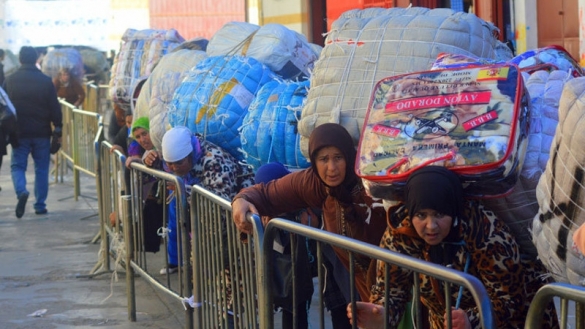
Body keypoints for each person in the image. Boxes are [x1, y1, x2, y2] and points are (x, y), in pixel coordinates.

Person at [347, 166, 558, 329]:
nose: (431, 226)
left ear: (453, 210)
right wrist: (382, 313)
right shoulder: (401, 233)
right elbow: (391, 289)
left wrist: (472, 320)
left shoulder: (484, 229)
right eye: (421, 215)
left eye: (440, 214)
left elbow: (510, 299)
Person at [232, 123, 388, 304]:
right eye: (323, 159)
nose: (331, 168)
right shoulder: (315, 183)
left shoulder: (373, 182)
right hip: (366, 291)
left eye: (338, 157)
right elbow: (268, 193)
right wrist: (241, 199)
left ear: (349, 155)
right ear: (314, 160)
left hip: (404, 285)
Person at [150, 126, 255, 274]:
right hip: (215, 234)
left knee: (239, 275)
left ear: (190, 155)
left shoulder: (215, 161)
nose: (174, 168)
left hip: (238, 228)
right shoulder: (185, 160)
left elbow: (222, 205)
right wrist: (149, 160)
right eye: (169, 163)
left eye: (179, 163)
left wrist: (186, 191)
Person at [254, 162, 316, 329]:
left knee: (297, 311)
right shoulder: (262, 217)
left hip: (298, 278)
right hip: (282, 278)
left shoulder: (300, 210)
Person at [4, 46, 62, 218]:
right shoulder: (45, 81)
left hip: (18, 133)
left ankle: (21, 191)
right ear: (36, 59)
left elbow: (4, 107)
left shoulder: (10, 80)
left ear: (20, 59)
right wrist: (58, 127)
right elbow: (54, 107)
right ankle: (40, 205)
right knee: (42, 169)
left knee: (17, 166)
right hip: (41, 132)